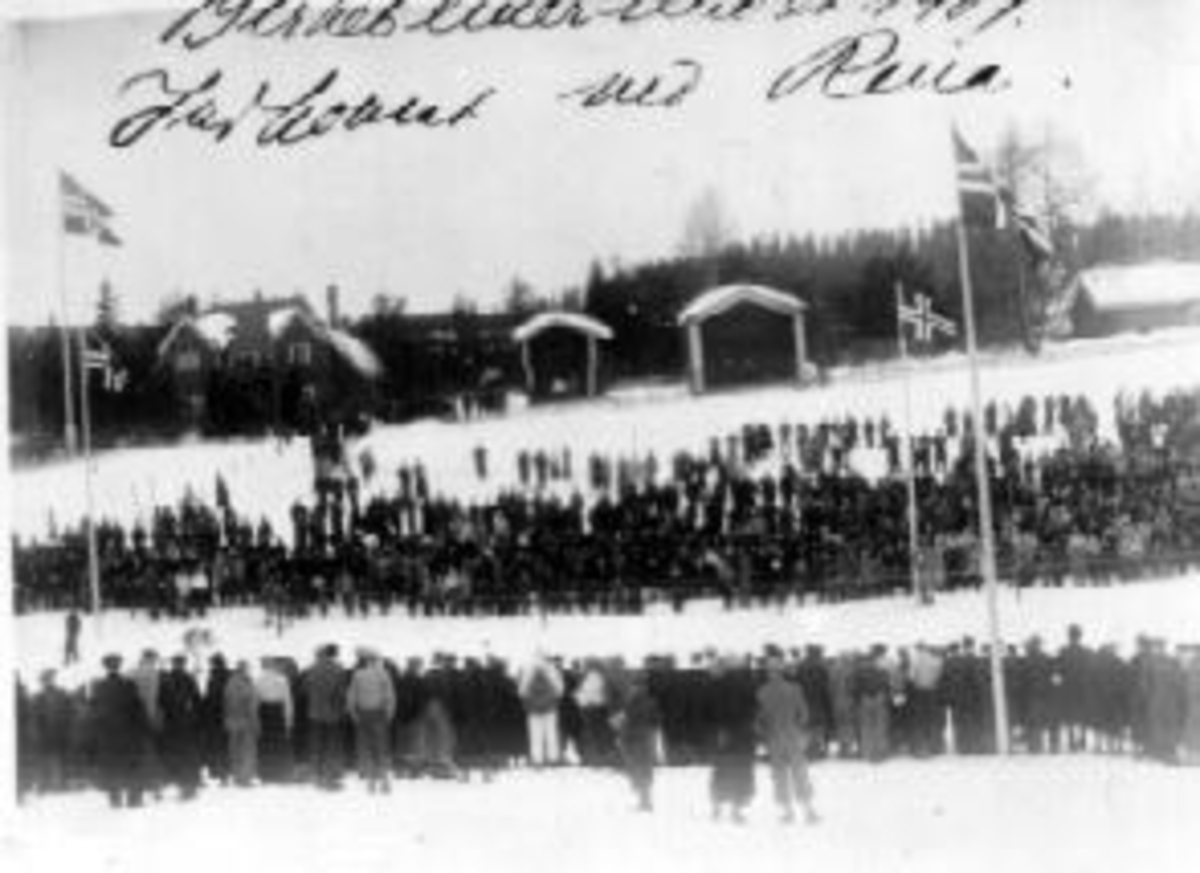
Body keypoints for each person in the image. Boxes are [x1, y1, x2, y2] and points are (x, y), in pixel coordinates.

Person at [756, 649, 819, 824]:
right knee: (800, 773)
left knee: (779, 775)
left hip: (774, 739)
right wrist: (800, 730)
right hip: (793, 736)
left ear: (769, 673)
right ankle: (808, 811)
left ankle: (787, 812)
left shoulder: (762, 692)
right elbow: (804, 715)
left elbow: (759, 721)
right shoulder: (795, 689)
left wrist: (764, 734)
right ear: (782, 671)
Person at [88, 654, 149, 808]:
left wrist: (96, 734)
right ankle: (134, 799)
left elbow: (93, 713)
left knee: (111, 767)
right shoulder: (128, 684)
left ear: (106, 667)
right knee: (132, 766)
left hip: (108, 737)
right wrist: (143, 729)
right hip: (128, 735)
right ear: (119, 666)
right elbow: (138, 709)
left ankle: (115, 799)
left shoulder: (98, 687)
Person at [346, 648, 396, 794]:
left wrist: (354, 714)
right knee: (381, 748)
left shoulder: (358, 675)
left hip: (363, 714)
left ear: (366, 661)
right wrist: (389, 714)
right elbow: (390, 696)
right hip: (380, 714)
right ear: (376, 660)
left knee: (367, 748)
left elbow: (351, 697)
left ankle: (371, 781)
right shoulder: (383, 674)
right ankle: (385, 780)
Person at [611, 670, 660, 812]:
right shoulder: (651, 700)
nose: (632, 688)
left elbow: (627, 722)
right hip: (646, 739)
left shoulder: (631, 701)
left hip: (634, 740)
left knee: (638, 770)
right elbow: (656, 721)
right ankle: (645, 800)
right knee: (644, 770)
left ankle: (645, 802)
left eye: (633, 685)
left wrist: (620, 735)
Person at [158, 655, 204, 800]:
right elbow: (197, 700)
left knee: (172, 755)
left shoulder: (165, 679)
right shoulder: (189, 679)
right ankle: (188, 787)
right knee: (188, 756)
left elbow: (160, 701)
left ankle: (172, 783)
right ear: (183, 664)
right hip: (186, 723)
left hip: (170, 724)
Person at [304, 644, 348, 789]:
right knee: (331, 746)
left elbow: (305, 688)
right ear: (333, 655)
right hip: (332, 714)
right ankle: (329, 777)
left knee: (316, 744)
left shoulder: (312, 669)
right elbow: (342, 692)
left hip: (315, 713)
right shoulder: (338, 669)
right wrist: (341, 709)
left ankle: (316, 774)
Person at [519, 652, 564, 767]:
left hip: (533, 708)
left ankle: (537, 759)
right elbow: (560, 690)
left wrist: (528, 703)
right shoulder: (552, 669)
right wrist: (554, 700)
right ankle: (553, 758)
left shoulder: (528, 669)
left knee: (535, 735)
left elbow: (522, 691)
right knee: (551, 733)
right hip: (550, 707)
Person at [255, 658, 295, 783]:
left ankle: (266, 774)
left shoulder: (257, 680)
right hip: (278, 713)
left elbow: (255, 701)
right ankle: (280, 773)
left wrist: (256, 718)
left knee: (265, 745)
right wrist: (288, 720)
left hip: (264, 712)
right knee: (279, 744)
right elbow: (287, 701)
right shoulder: (282, 679)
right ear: (273, 665)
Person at [223, 660, 260, 786]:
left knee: (234, 751)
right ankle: (245, 778)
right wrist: (255, 722)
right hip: (246, 722)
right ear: (244, 669)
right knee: (247, 751)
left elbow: (226, 702)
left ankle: (237, 776)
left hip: (232, 721)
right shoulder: (247, 683)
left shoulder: (229, 682)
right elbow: (251, 704)